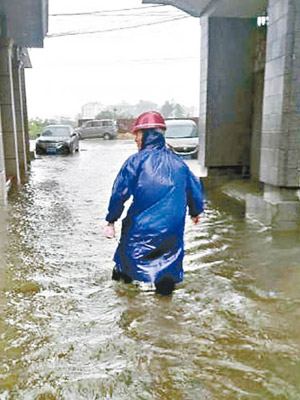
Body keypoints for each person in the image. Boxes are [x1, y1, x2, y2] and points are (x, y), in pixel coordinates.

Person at [102, 111, 204, 295]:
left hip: (140, 231)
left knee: (124, 268)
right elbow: (195, 190)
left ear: (146, 135)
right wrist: (196, 212)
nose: (135, 140)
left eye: (137, 135)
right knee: (167, 273)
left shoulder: (135, 162)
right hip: (171, 232)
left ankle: (125, 309)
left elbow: (119, 194)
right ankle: (165, 313)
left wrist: (111, 220)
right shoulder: (178, 162)